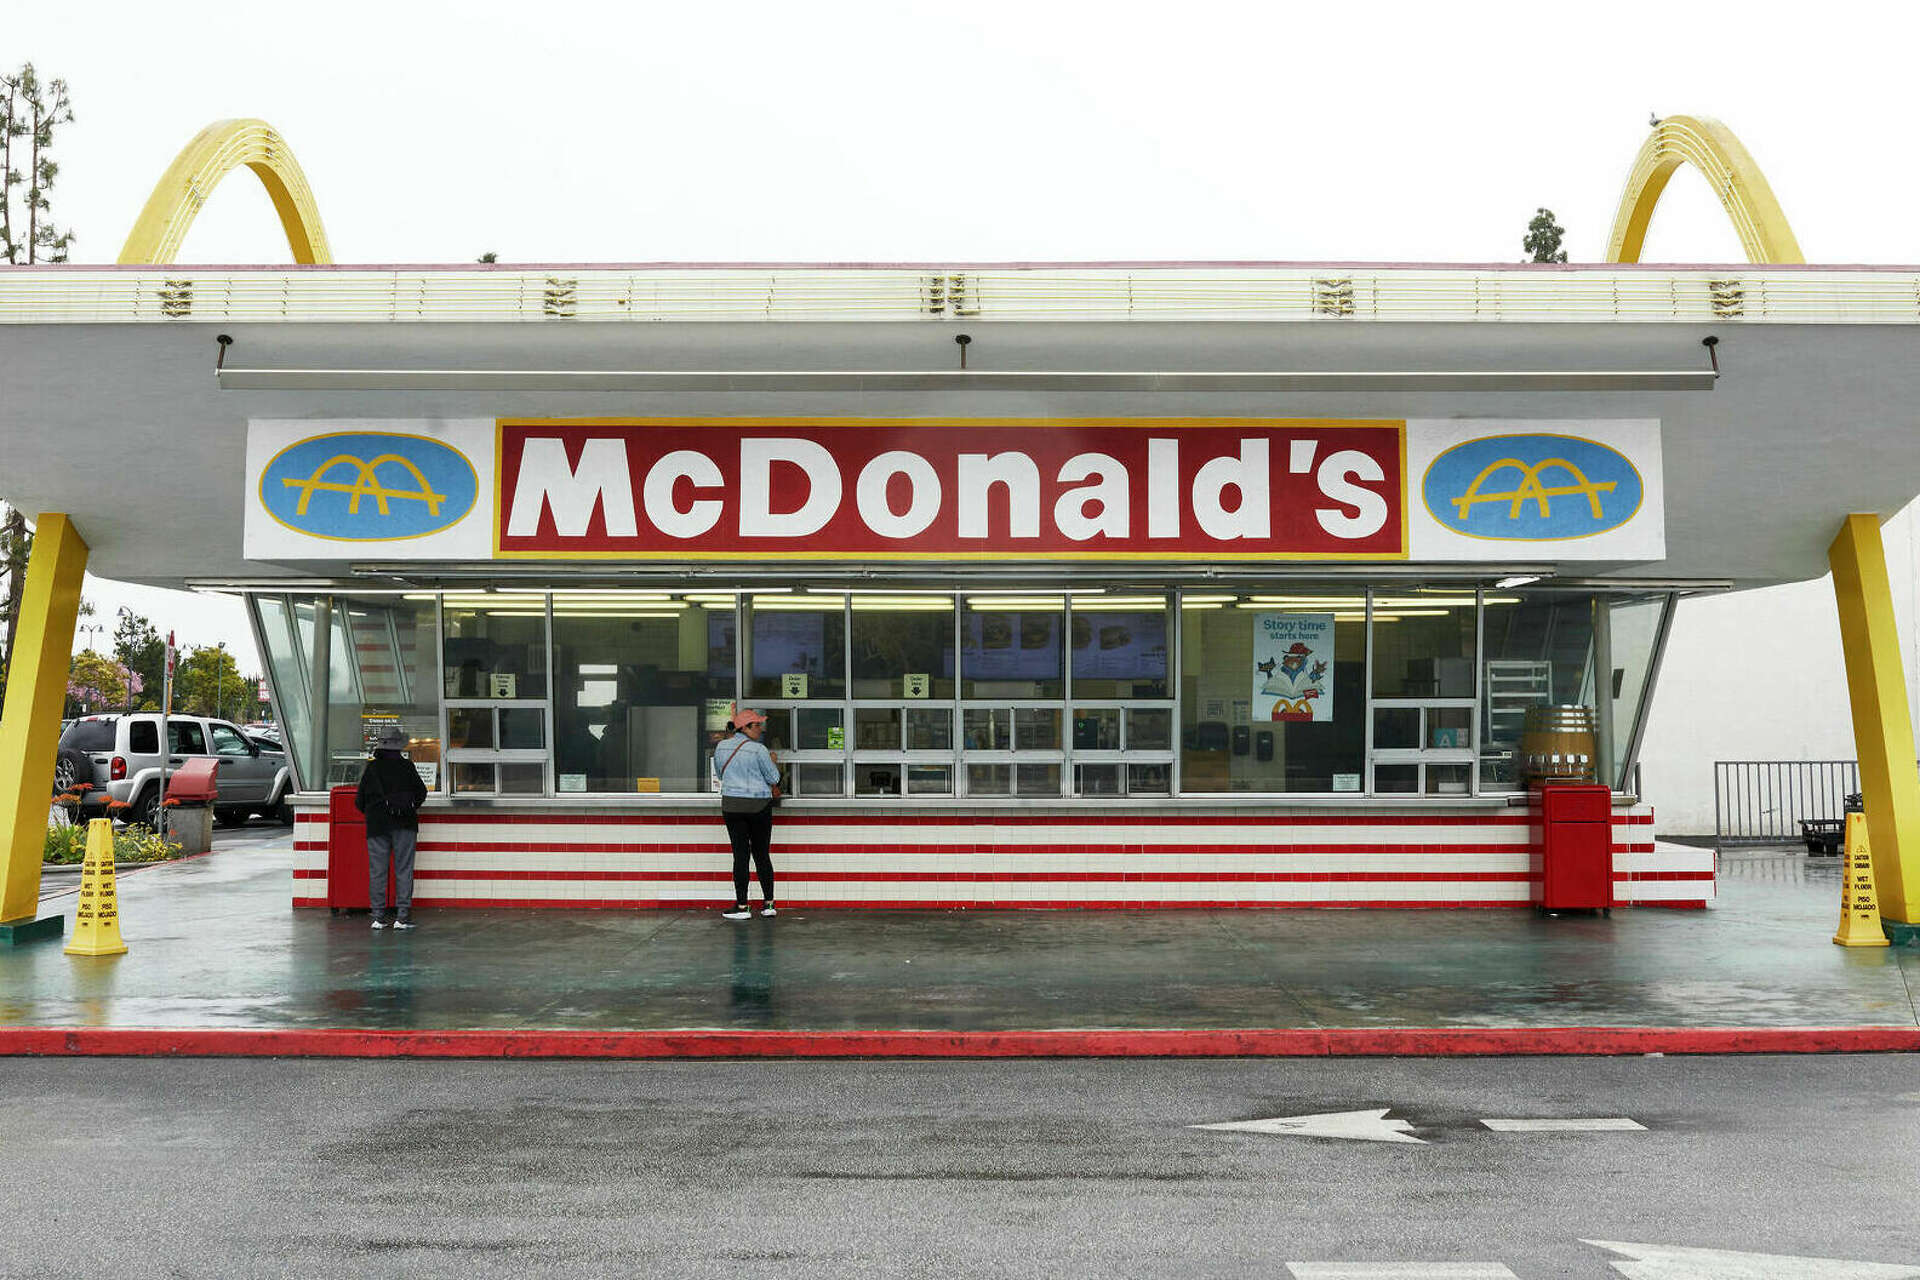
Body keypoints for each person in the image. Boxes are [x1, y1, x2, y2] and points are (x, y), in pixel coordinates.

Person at [354, 728, 429, 930]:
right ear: (399, 746)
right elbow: (421, 793)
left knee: (378, 871)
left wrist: (375, 812)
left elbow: (359, 801)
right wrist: (407, 807)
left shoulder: (372, 769)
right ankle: (402, 917)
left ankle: (378, 917)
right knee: (404, 870)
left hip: (377, 826)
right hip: (405, 824)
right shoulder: (407, 767)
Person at [713, 707, 781, 919]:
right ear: (745, 727)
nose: (760, 729)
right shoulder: (759, 750)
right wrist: (773, 761)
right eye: (757, 725)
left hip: (732, 806)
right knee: (761, 854)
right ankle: (768, 905)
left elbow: (719, 772)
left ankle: (742, 907)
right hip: (758, 806)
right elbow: (774, 778)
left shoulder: (721, 747)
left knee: (740, 856)